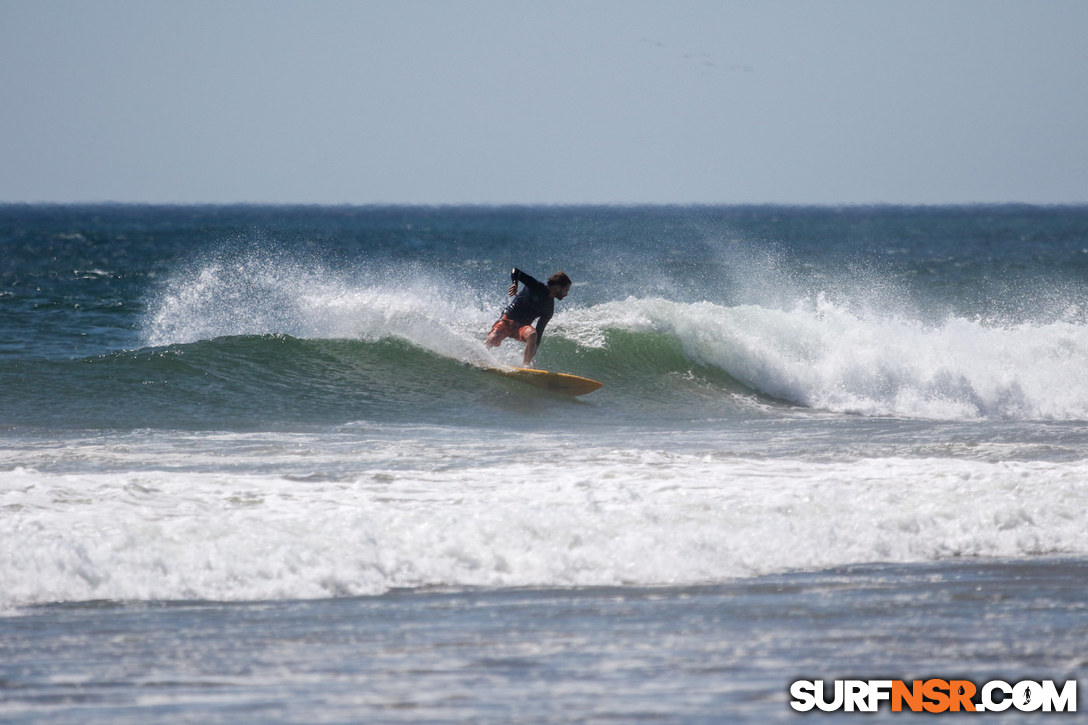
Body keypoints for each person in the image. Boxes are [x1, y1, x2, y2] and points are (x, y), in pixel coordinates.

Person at [485, 268, 572, 367]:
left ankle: (525, 366)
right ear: (558, 288)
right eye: (566, 290)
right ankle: (480, 353)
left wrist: (533, 351)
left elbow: (539, 332)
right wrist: (515, 284)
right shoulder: (536, 286)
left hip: (521, 327)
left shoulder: (549, 309)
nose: (566, 294)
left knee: (532, 334)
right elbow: (516, 271)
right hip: (507, 319)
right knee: (495, 339)